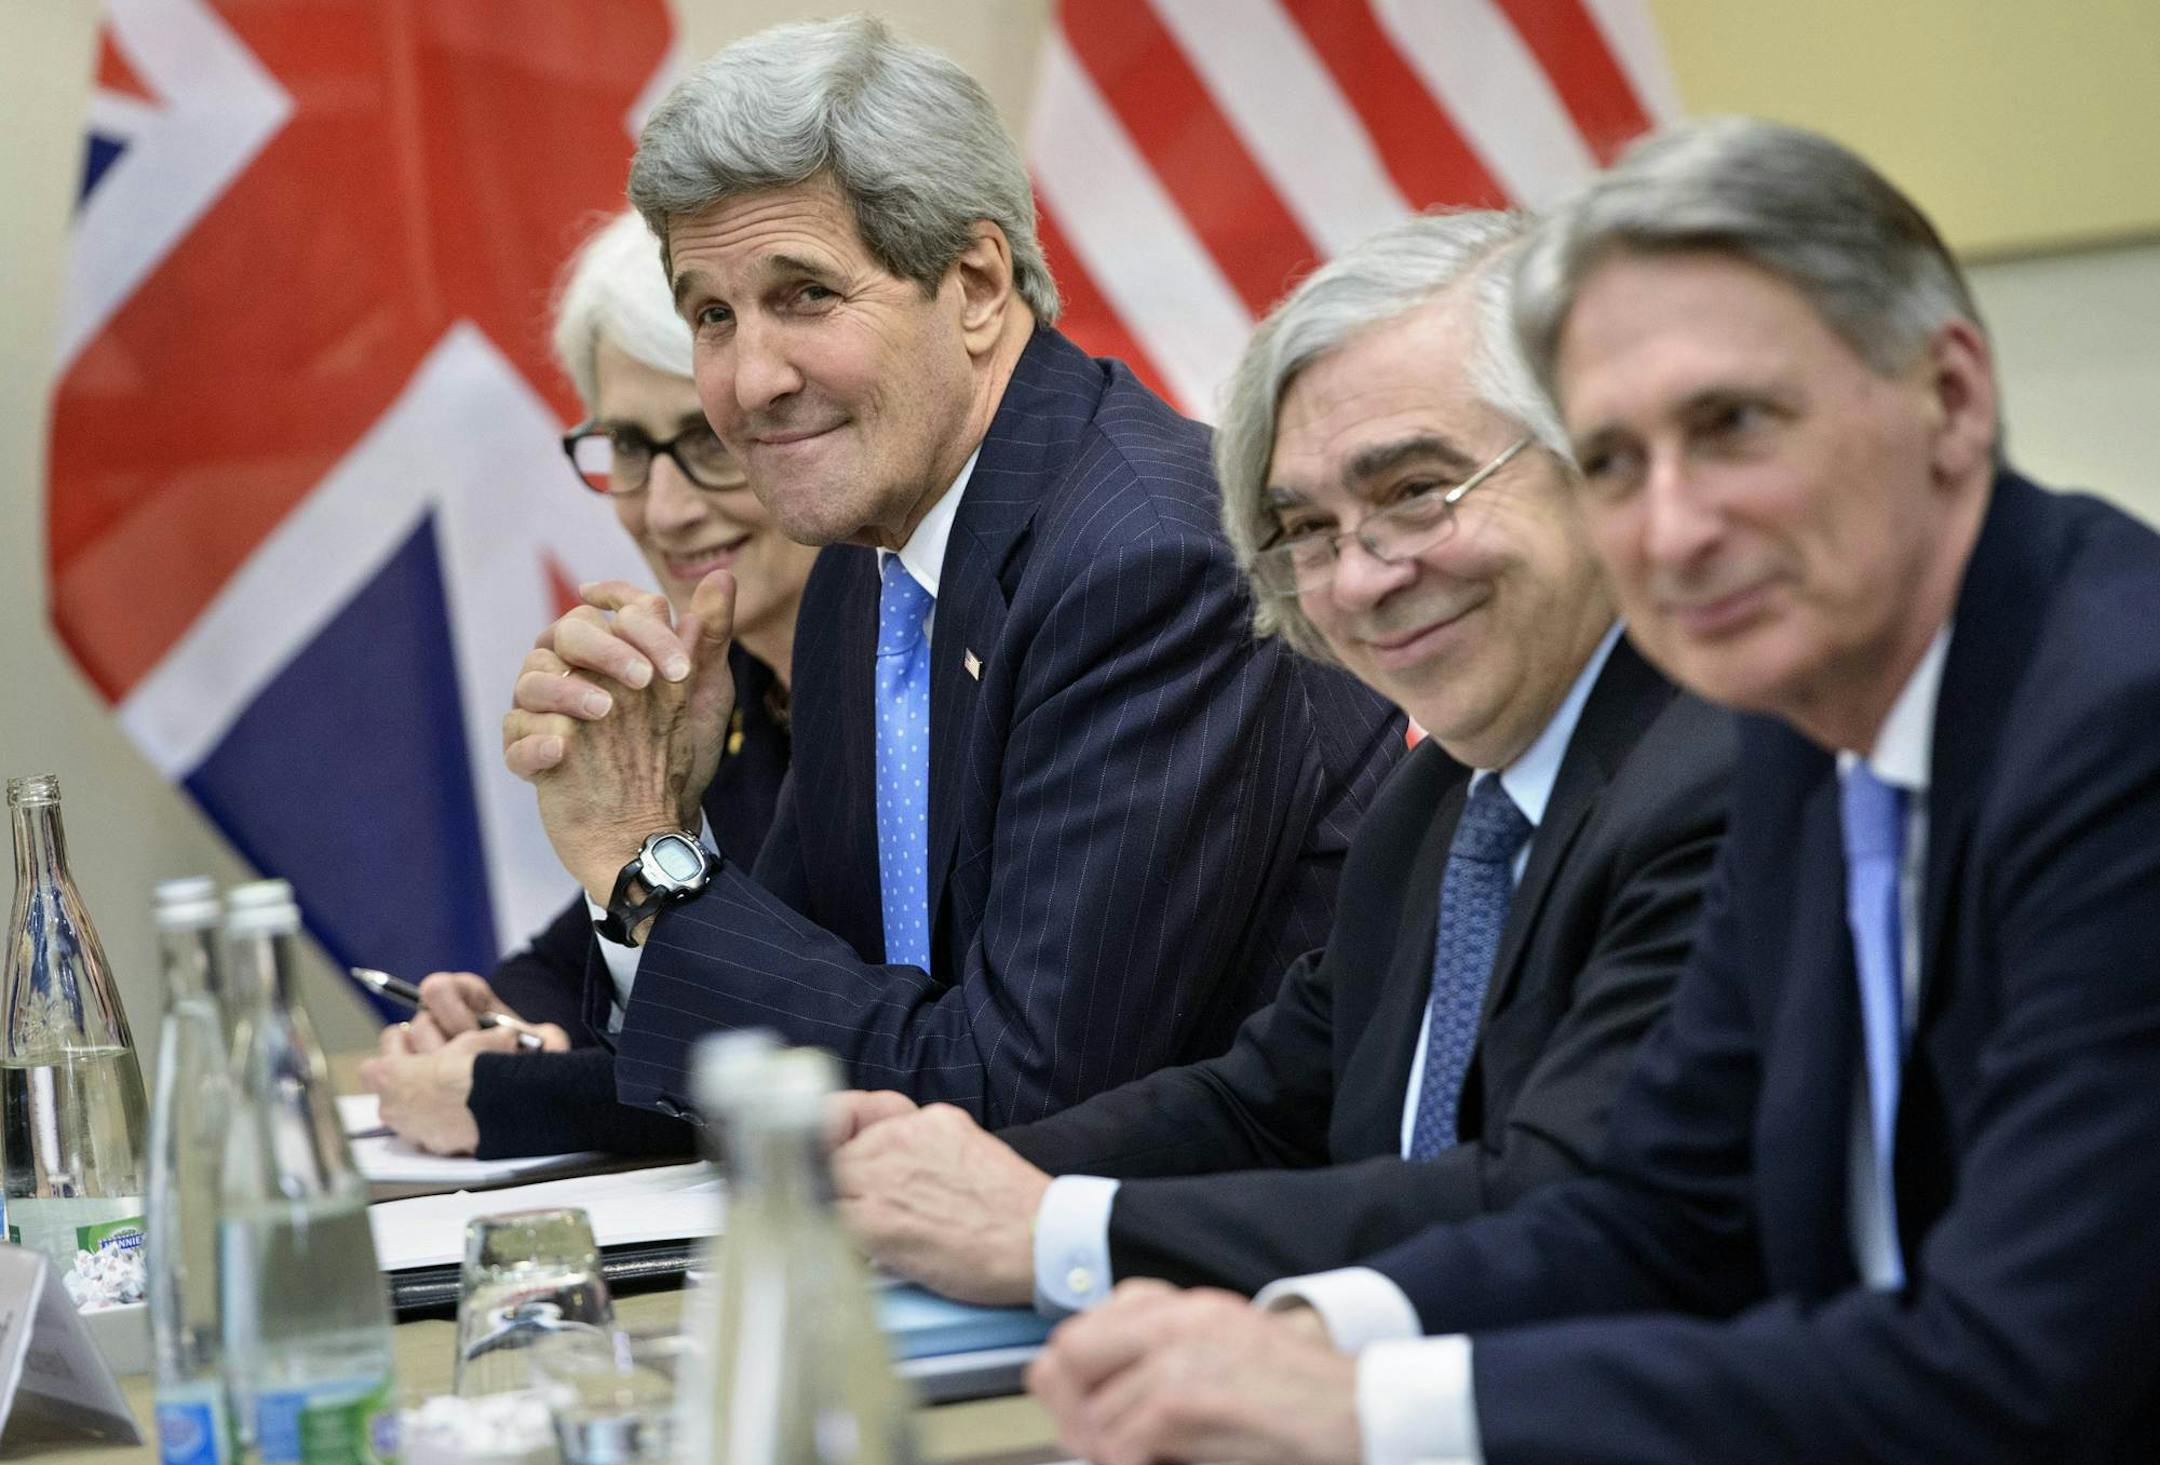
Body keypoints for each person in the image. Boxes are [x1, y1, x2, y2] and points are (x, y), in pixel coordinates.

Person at [1028, 117, 2160, 1465]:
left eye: (1733, 426)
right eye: (1617, 462)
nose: (1671, 530)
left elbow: (2021, 1374)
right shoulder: (1810, 718)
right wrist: (1315, 1336)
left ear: (1951, 396)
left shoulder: (2120, 722)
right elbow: (1662, 1216)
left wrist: (1380, 1413)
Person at [497, 16, 1402, 1126]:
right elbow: (814, 1010)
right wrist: (668, 832)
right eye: (714, 316)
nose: (750, 379)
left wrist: (643, 865)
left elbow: (1016, 1097)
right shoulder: (865, 565)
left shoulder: (1148, 562)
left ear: (975, 283)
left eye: (805, 296)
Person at [822, 211, 1732, 1308]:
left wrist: (1058, 1228)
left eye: (1411, 493)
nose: (1356, 580)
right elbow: (1266, 1104)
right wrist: (946, 1165)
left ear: (1603, 464)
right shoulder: (1441, 797)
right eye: (1307, 529)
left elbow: (1561, 1206)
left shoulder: (1724, 778)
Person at [357, 211, 816, 1158]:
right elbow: (562, 966)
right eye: (633, 448)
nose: (666, 508)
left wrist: (515, 1093)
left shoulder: (897, 694)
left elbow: (833, 1058)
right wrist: (503, 1025)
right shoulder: (735, 702)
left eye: (712, 439)